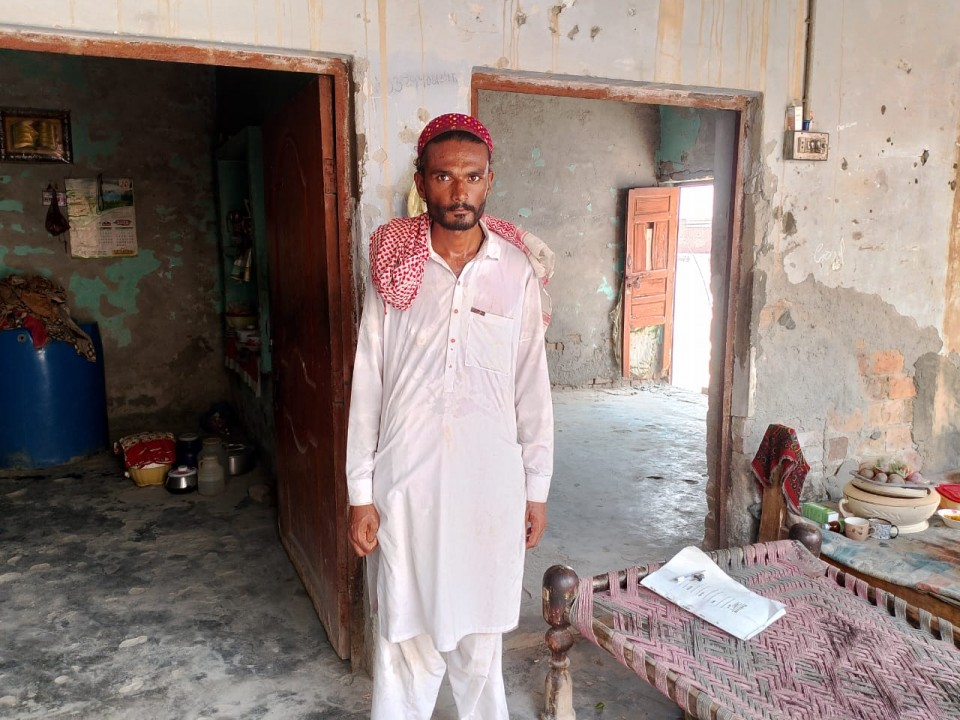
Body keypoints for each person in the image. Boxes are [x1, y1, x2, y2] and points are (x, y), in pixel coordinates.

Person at [346, 113, 554, 720]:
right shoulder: (395, 275)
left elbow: (531, 389)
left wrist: (535, 488)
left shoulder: (515, 273)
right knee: (404, 638)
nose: (458, 190)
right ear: (422, 182)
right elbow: (368, 384)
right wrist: (361, 491)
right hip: (406, 486)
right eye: (443, 176)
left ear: (489, 182)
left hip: (489, 488)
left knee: (480, 639)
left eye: (470, 176)